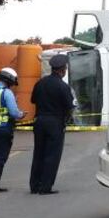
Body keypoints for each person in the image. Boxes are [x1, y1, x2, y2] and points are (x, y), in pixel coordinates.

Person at [30, 54, 75, 195]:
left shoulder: (40, 83)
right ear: (62, 70)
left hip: (39, 121)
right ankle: (45, 187)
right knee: (52, 155)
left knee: (39, 153)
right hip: (55, 123)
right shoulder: (63, 87)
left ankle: (34, 185)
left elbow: (33, 100)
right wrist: (66, 120)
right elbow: (70, 107)